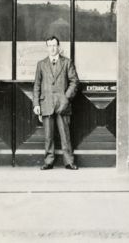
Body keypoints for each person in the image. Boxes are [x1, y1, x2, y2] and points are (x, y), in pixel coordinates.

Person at [32, 36, 79, 170]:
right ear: (47, 47)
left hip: (62, 105)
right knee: (48, 136)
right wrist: (36, 104)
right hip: (46, 104)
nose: (52, 48)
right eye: (50, 45)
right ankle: (48, 161)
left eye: (54, 45)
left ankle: (69, 162)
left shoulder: (67, 62)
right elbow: (37, 85)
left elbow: (74, 81)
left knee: (65, 135)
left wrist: (66, 98)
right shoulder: (41, 64)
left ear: (58, 47)